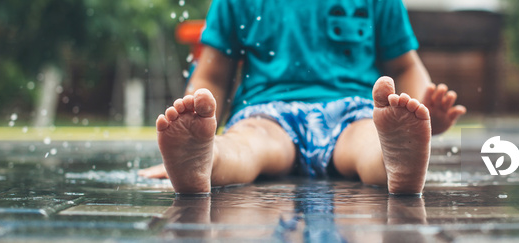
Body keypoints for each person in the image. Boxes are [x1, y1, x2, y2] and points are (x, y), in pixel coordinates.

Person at [139, 0, 466, 195]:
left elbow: (404, 64)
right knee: (248, 143)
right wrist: (196, 117)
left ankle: (396, 161)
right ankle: (205, 158)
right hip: (267, 112)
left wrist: (421, 107)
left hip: (354, 111)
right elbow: (213, 73)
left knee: (369, 140)